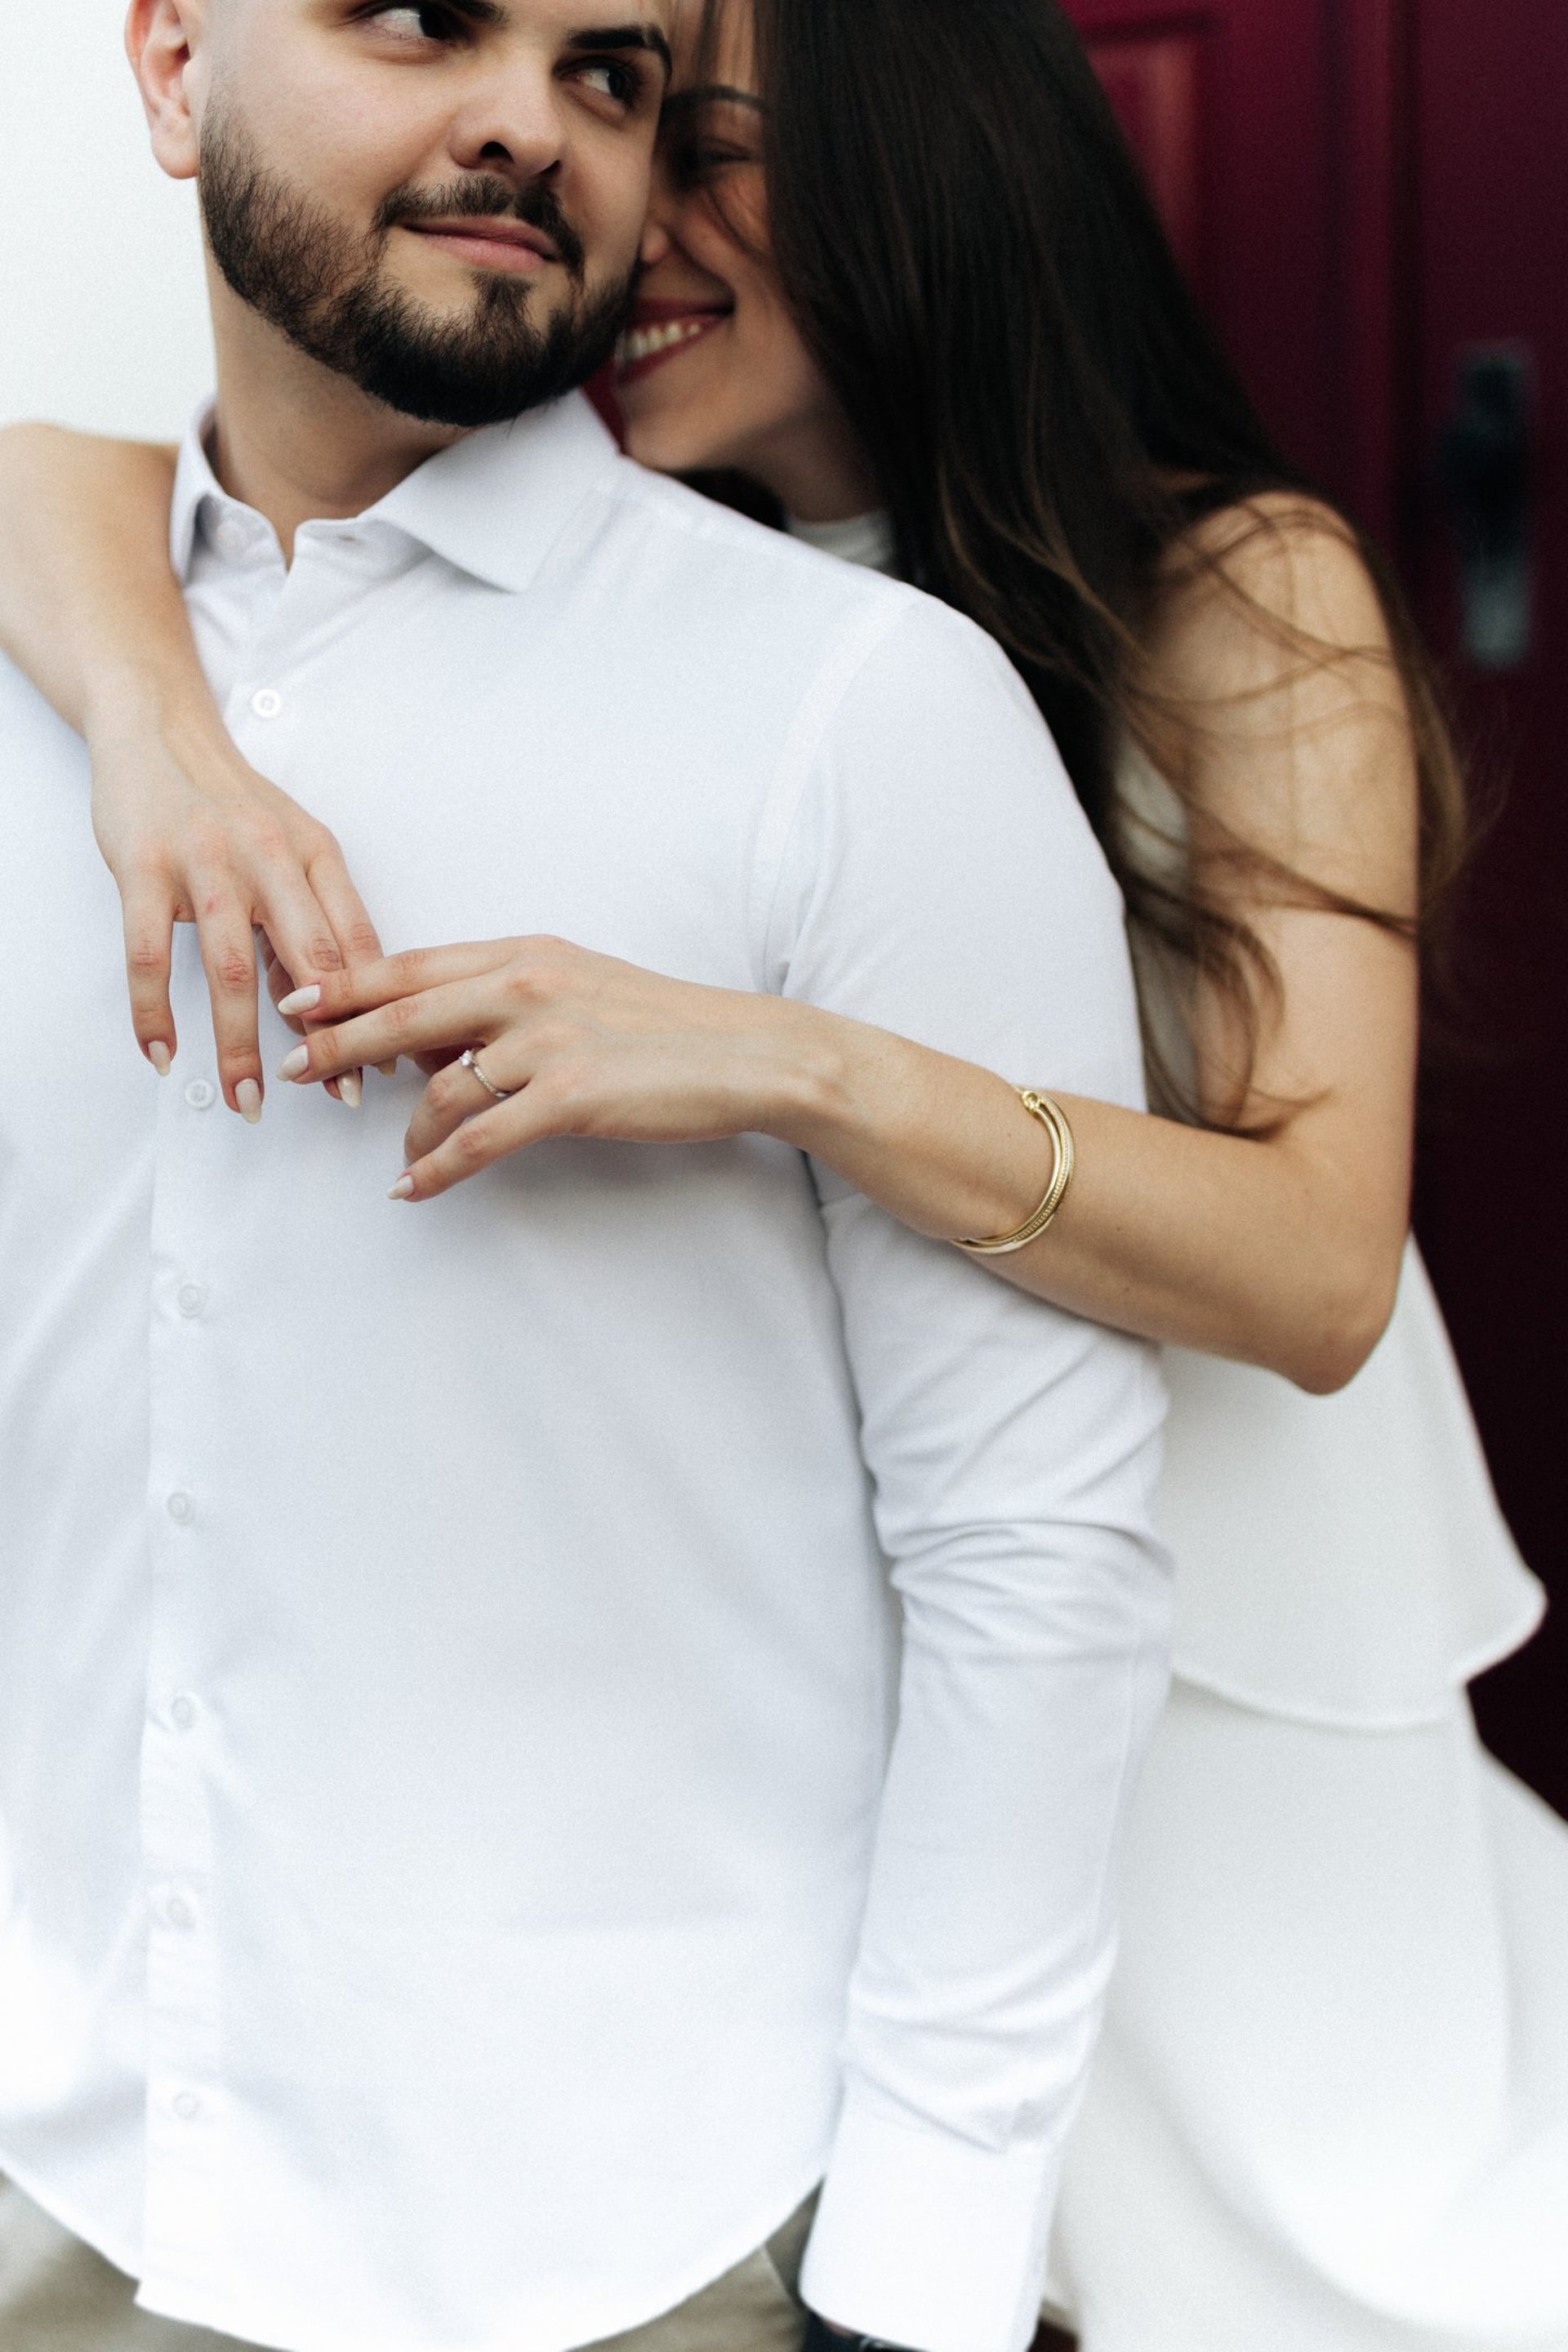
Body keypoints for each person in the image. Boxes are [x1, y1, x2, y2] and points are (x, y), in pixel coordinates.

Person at [2, 0, 1566, 2347]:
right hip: (880, 1638)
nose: (607, 202)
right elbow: (56, 476)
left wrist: (794, 1064)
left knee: (1326, 2254)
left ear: (923, 191)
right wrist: (154, 740)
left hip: (1229, 1598)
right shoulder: (660, 584)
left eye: (680, 131)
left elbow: (1324, 1270)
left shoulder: (1219, 590)